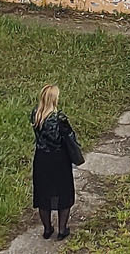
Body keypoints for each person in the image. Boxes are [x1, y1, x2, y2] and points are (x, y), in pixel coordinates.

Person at [31, 83, 82, 240]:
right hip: (59, 160)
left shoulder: (35, 115)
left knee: (43, 194)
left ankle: (47, 229)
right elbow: (69, 137)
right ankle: (62, 229)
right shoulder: (60, 118)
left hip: (41, 158)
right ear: (54, 99)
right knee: (63, 193)